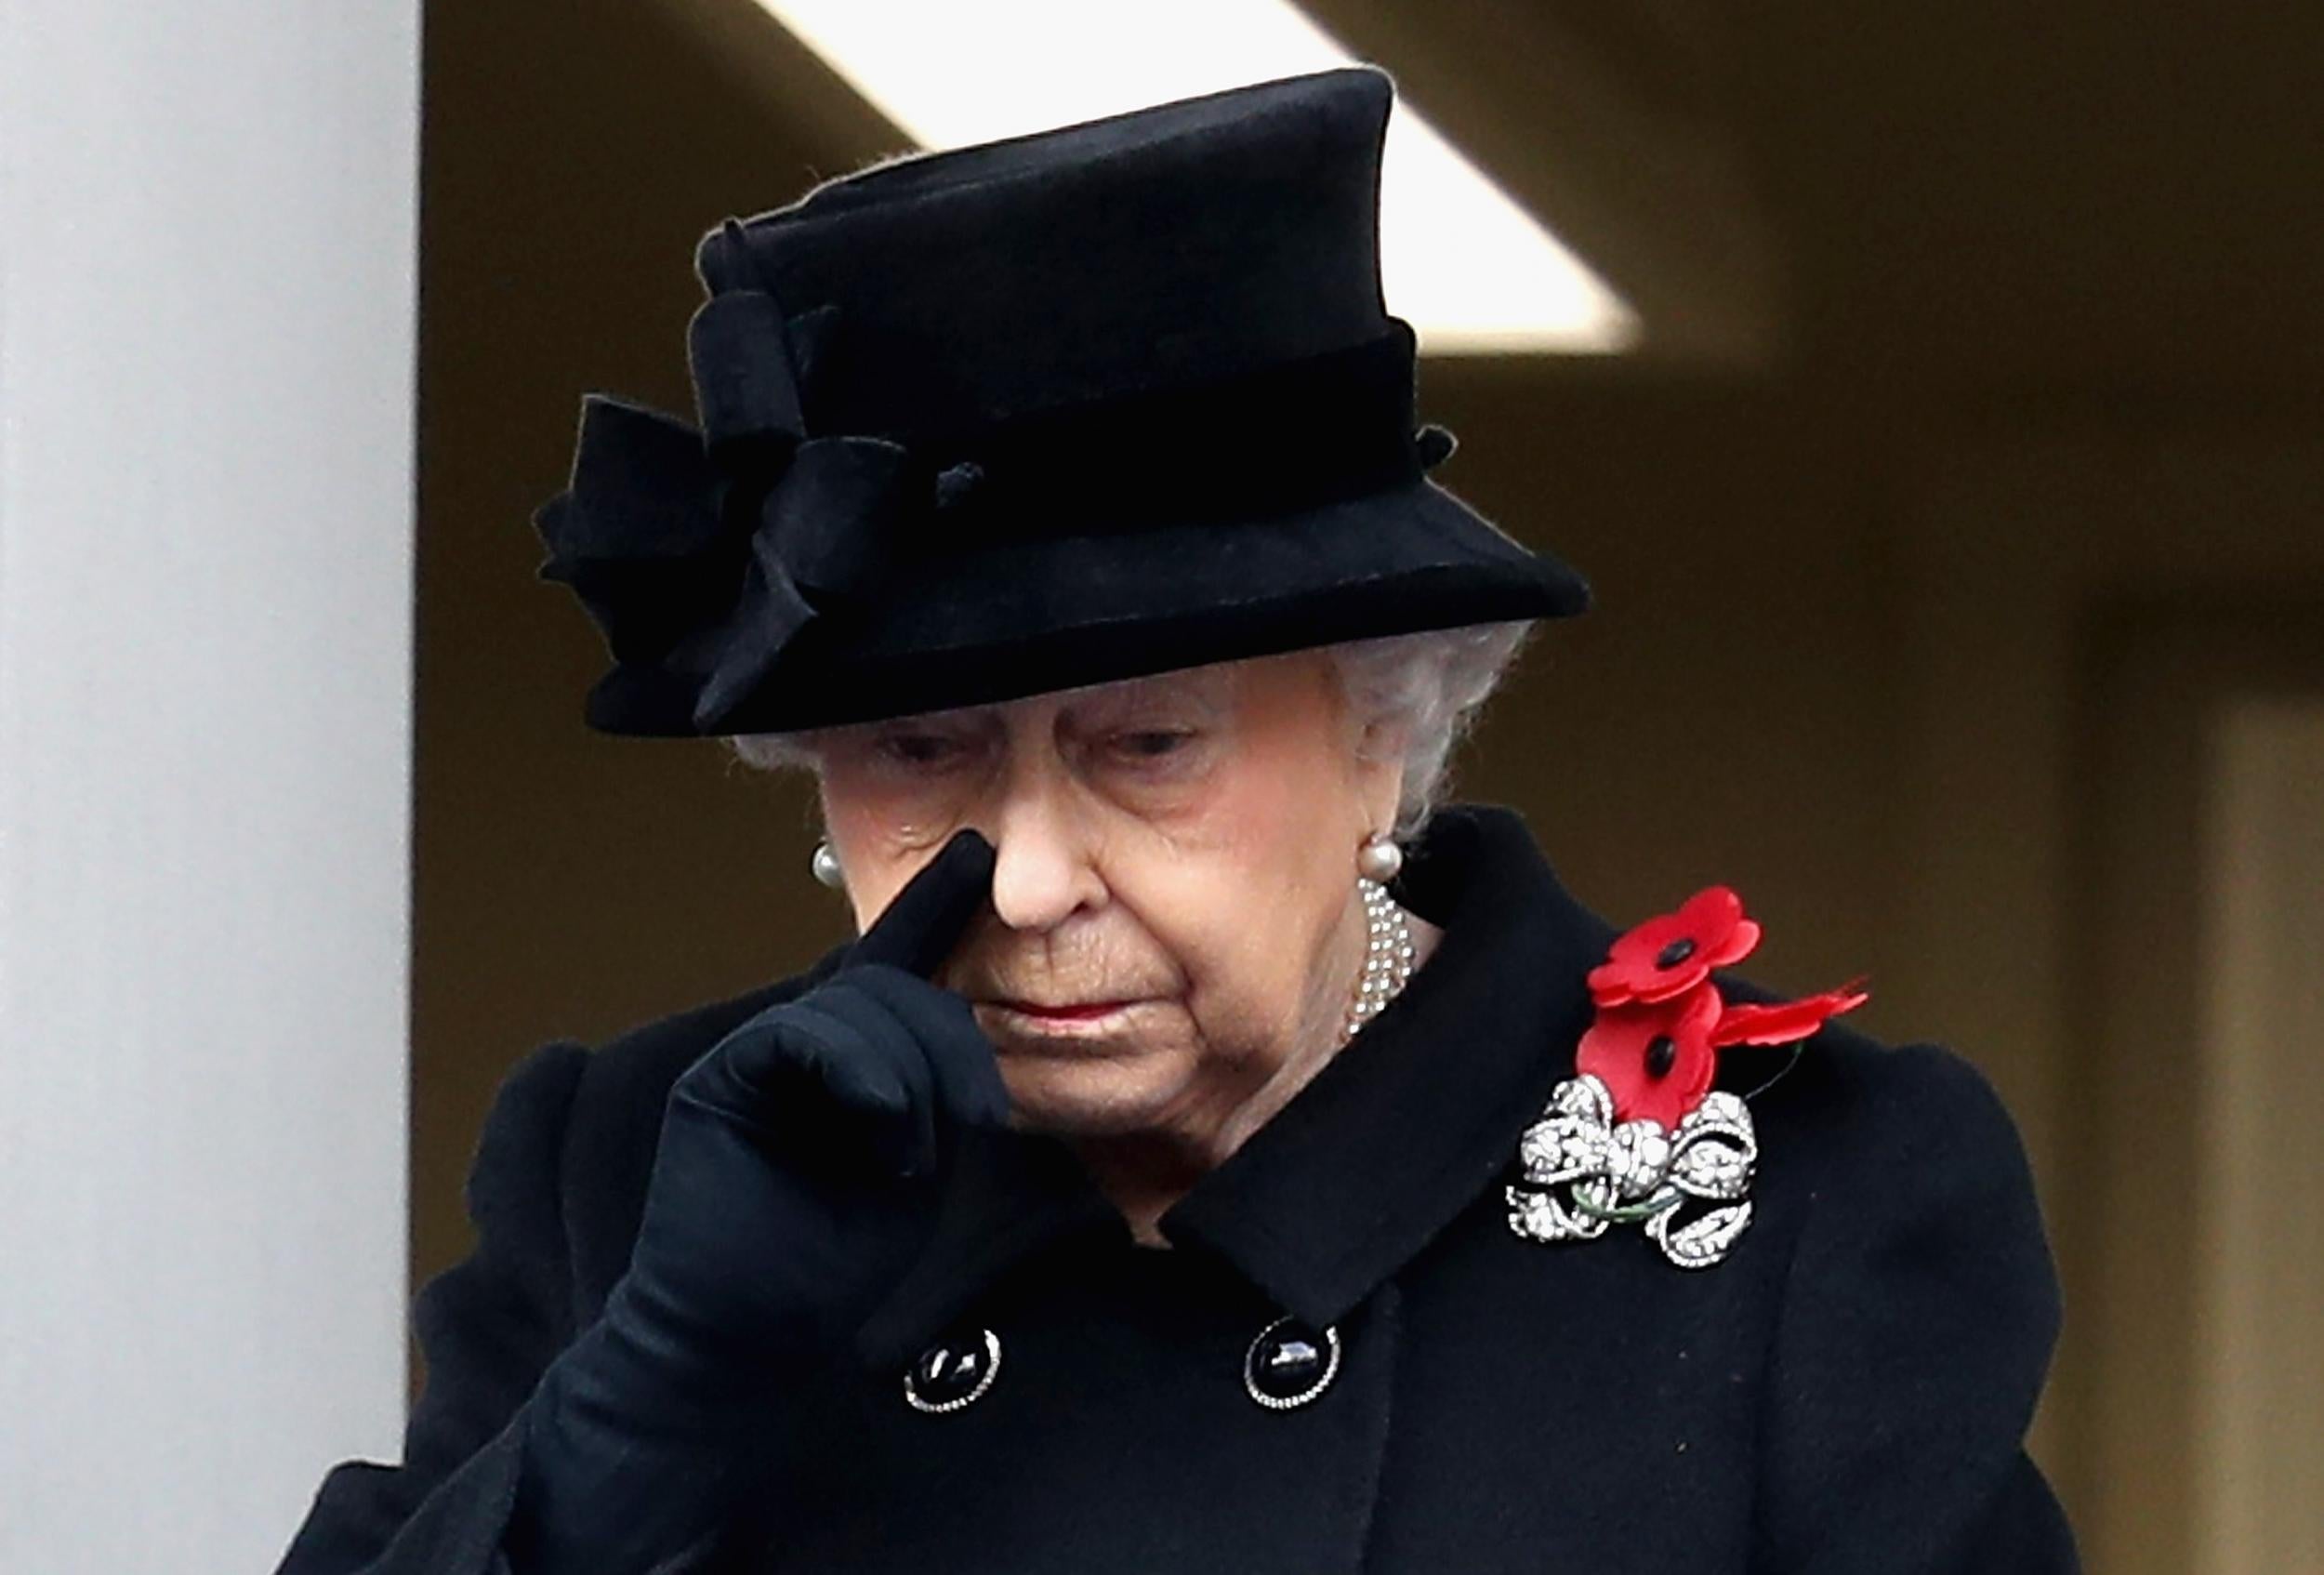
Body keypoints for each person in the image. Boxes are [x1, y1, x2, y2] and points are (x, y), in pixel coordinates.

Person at [275, 66, 2079, 1575]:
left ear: (1387, 724)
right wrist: (649, 1393)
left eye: (1146, 745)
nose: (1033, 876)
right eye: (917, 748)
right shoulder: (623, 1168)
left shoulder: (1806, 1206)